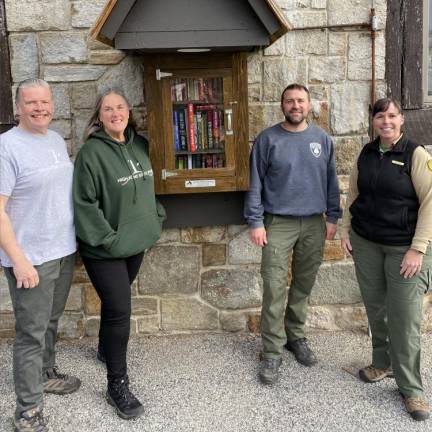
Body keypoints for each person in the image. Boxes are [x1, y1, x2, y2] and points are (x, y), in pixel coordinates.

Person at [73, 88, 166, 420]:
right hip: (104, 249)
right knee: (119, 311)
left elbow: (150, 189)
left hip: (136, 243)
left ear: (129, 112)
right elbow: (84, 204)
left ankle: (103, 348)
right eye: (108, 109)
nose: (115, 113)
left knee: (116, 304)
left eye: (120, 107)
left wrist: (155, 219)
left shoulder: (140, 146)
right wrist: (108, 239)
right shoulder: (90, 154)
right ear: (99, 116)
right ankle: (117, 386)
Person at [341, 98, 432, 421]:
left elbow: (429, 203)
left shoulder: (416, 155)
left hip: (403, 249)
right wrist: (346, 230)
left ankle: (412, 390)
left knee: (404, 318)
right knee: (376, 307)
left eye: (392, 116)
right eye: (380, 116)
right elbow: (353, 194)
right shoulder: (366, 153)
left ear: (401, 120)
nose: (386, 122)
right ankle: (382, 363)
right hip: (367, 244)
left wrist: (418, 248)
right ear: (374, 121)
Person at [244, 83, 341, 385]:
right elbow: (256, 182)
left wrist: (333, 216)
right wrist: (256, 221)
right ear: (282, 105)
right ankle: (271, 350)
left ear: (309, 105)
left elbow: (331, 180)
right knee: (274, 287)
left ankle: (294, 336)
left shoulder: (322, 140)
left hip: (313, 222)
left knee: (303, 282)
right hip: (278, 223)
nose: (295, 105)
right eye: (289, 101)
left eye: (300, 101)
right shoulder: (268, 139)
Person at [0, 79, 80, 432]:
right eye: (31, 103)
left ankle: (46, 374)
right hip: (31, 258)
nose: (39, 108)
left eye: (44, 102)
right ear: (18, 107)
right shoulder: (7, 147)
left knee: (49, 321)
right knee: (30, 334)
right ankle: (27, 412)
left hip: (62, 250)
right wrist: (18, 260)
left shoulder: (56, 140)